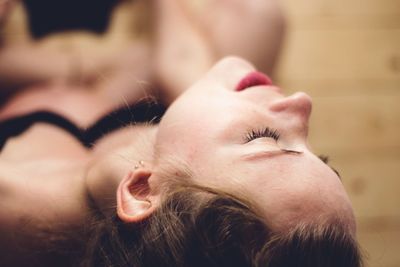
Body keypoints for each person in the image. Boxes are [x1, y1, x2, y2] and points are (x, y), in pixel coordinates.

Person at [0, 1, 362, 267]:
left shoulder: (16, 201)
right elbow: (182, 60)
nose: (302, 104)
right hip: (122, 109)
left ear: (141, 189)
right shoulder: (184, 190)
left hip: (36, 103)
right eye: (320, 158)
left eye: (264, 137)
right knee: (258, 14)